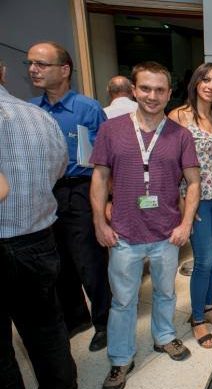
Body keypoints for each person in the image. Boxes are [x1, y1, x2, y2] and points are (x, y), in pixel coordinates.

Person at [90, 61, 200, 389]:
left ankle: (164, 337)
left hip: (167, 233)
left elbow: (194, 183)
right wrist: (99, 222)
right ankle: (121, 358)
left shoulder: (181, 135)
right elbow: (100, 178)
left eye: (160, 90)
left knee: (166, 293)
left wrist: (185, 224)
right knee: (124, 300)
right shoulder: (112, 130)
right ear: (134, 90)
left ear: (169, 93)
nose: (152, 96)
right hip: (124, 232)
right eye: (146, 88)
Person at [0, 60, 79, 389]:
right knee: (46, 326)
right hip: (36, 238)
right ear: (3, 72)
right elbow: (60, 168)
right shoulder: (39, 116)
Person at [27, 41, 111, 352]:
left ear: (64, 70)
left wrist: (108, 201)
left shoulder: (88, 109)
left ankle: (104, 322)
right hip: (46, 191)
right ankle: (76, 318)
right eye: (30, 64)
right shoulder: (31, 110)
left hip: (80, 189)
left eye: (41, 64)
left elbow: (105, 159)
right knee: (58, 260)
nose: (33, 69)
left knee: (90, 261)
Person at [168, 62, 212, 349]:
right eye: (205, 80)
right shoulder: (179, 116)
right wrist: (183, 207)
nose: (210, 86)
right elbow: (169, 165)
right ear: (195, 82)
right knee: (203, 260)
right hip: (196, 200)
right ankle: (196, 319)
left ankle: (209, 306)